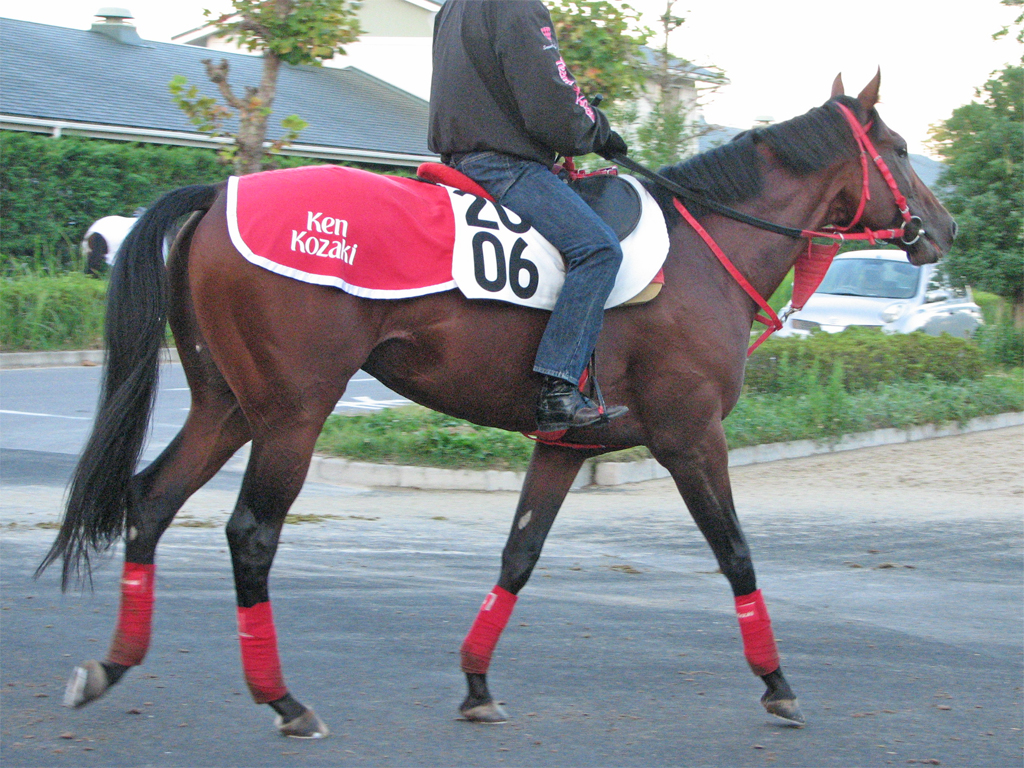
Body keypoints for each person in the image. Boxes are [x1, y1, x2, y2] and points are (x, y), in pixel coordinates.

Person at [428, 0, 629, 432]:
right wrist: (598, 130)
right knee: (598, 249)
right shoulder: (518, 5)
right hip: (504, 165)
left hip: (461, 159)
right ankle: (558, 387)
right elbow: (550, 98)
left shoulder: (450, 7)